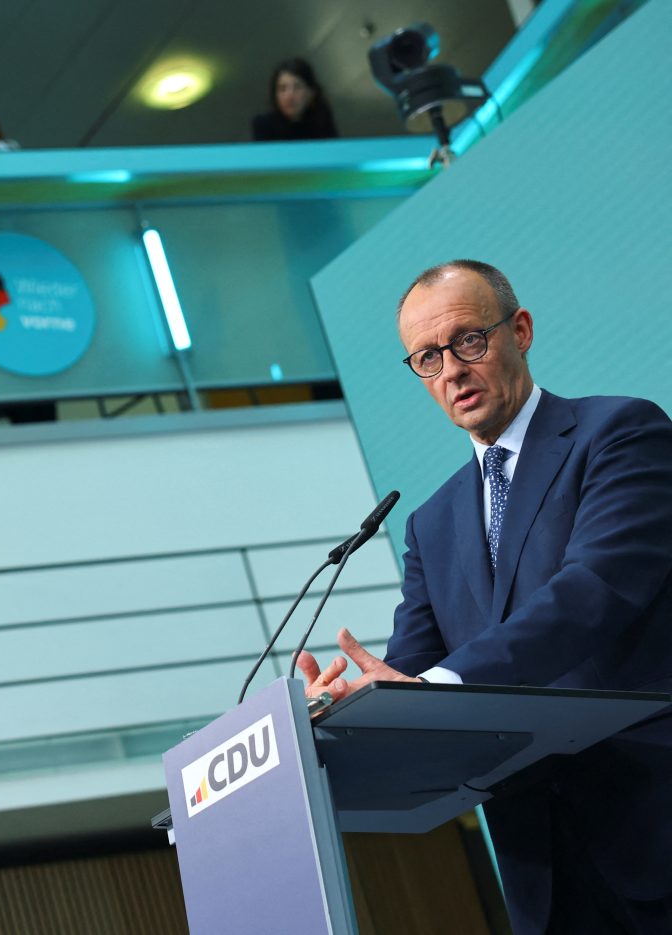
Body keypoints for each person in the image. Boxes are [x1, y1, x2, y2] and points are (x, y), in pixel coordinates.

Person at [299, 260, 672, 933]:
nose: (452, 369)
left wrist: (440, 683)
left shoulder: (619, 433)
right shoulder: (431, 522)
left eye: (469, 340)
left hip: (652, 817)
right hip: (542, 864)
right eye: (427, 356)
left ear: (520, 330)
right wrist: (346, 704)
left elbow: (594, 591)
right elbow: (410, 672)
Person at [250, 58, 338, 142]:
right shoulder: (264, 126)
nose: (289, 96)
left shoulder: (322, 123)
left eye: (297, 87)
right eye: (282, 89)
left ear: (311, 93)